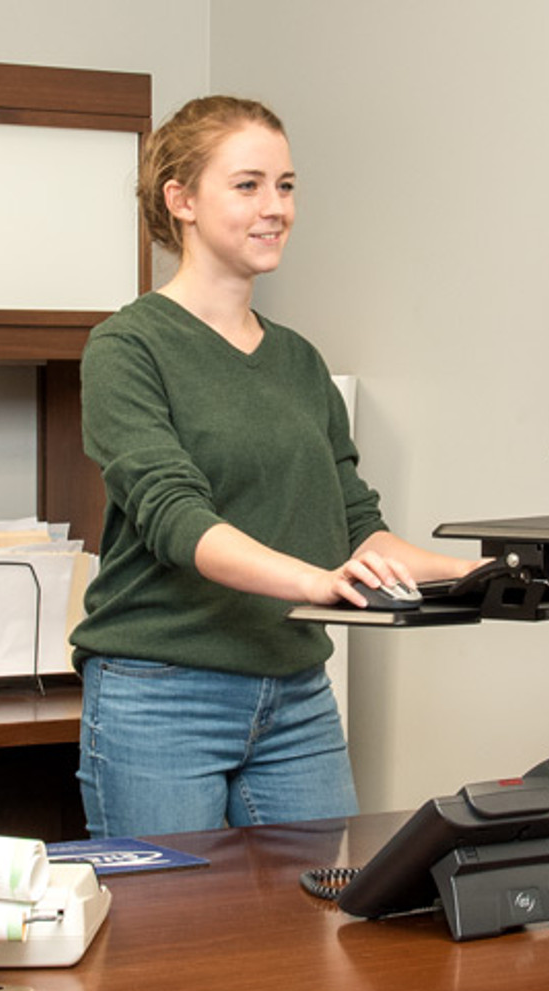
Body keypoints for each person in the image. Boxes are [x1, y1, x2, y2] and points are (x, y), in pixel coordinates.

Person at [71, 95, 479, 839]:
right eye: (248, 185)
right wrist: (315, 583)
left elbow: (357, 527)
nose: (276, 207)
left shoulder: (298, 360)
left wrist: (479, 572)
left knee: (329, 906)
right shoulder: (128, 348)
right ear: (182, 200)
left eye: (286, 186)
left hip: (294, 693)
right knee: (174, 914)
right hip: (161, 692)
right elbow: (178, 520)